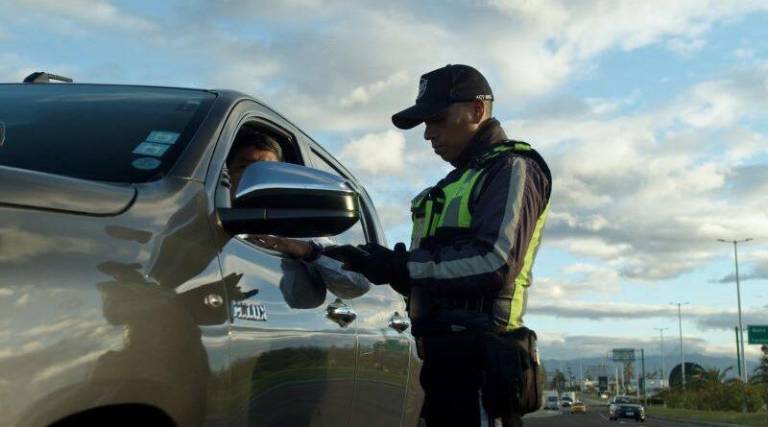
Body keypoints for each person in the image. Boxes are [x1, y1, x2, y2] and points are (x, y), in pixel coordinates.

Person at [342, 64, 552, 426]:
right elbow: (430, 275)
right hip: (439, 363)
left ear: (477, 111)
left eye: (436, 119)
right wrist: (340, 257)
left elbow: (494, 261)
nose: (427, 134)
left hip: (480, 364)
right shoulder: (456, 181)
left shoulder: (512, 167)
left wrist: (400, 266)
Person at [227, 129, 371, 299]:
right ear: (227, 174)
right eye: (244, 167)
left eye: (266, 171)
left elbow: (360, 283)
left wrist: (301, 250)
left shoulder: (301, 231)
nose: (253, 177)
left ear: (280, 179)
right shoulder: (201, 218)